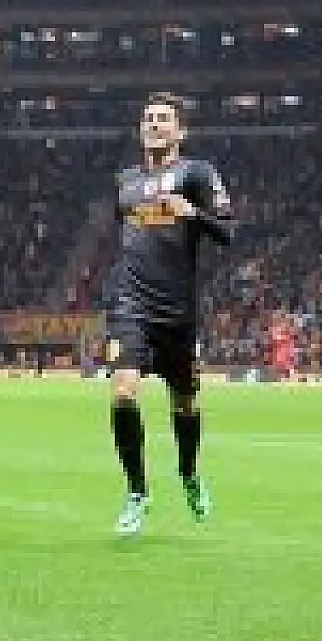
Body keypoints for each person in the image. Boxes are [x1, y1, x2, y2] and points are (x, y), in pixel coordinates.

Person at [105, 92, 236, 537]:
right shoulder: (125, 182)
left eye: (163, 118)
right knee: (124, 392)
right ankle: (136, 492)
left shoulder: (198, 173)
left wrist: (193, 212)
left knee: (184, 401)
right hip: (130, 305)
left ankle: (189, 473)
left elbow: (228, 230)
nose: (154, 124)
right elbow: (126, 236)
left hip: (176, 311)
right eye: (148, 118)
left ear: (181, 130)